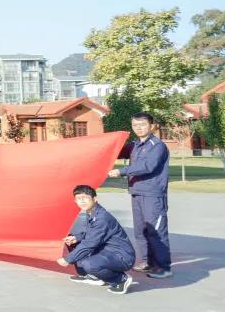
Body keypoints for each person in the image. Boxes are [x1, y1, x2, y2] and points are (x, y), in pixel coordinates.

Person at [108, 112, 172, 278]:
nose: (139, 128)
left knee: (156, 232)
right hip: (137, 192)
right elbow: (117, 151)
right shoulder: (135, 145)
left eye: (142, 124)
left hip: (152, 195)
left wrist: (121, 171)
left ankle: (163, 267)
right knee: (141, 231)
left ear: (152, 126)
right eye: (135, 125)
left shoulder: (157, 146)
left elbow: (148, 166)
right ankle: (147, 262)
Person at [57, 185, 135, 294]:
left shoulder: (102, 217)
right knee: (72, 241)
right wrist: (76, 238)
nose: (82, 201)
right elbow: (92, 234)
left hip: (122, 256)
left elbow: (90, 244)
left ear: (94, 199)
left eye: (85, 198)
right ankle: (95, 276)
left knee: (90, 264)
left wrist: (68, 259)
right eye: (79, 198)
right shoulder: (92, 212)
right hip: (106, 251)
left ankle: (120, 279)